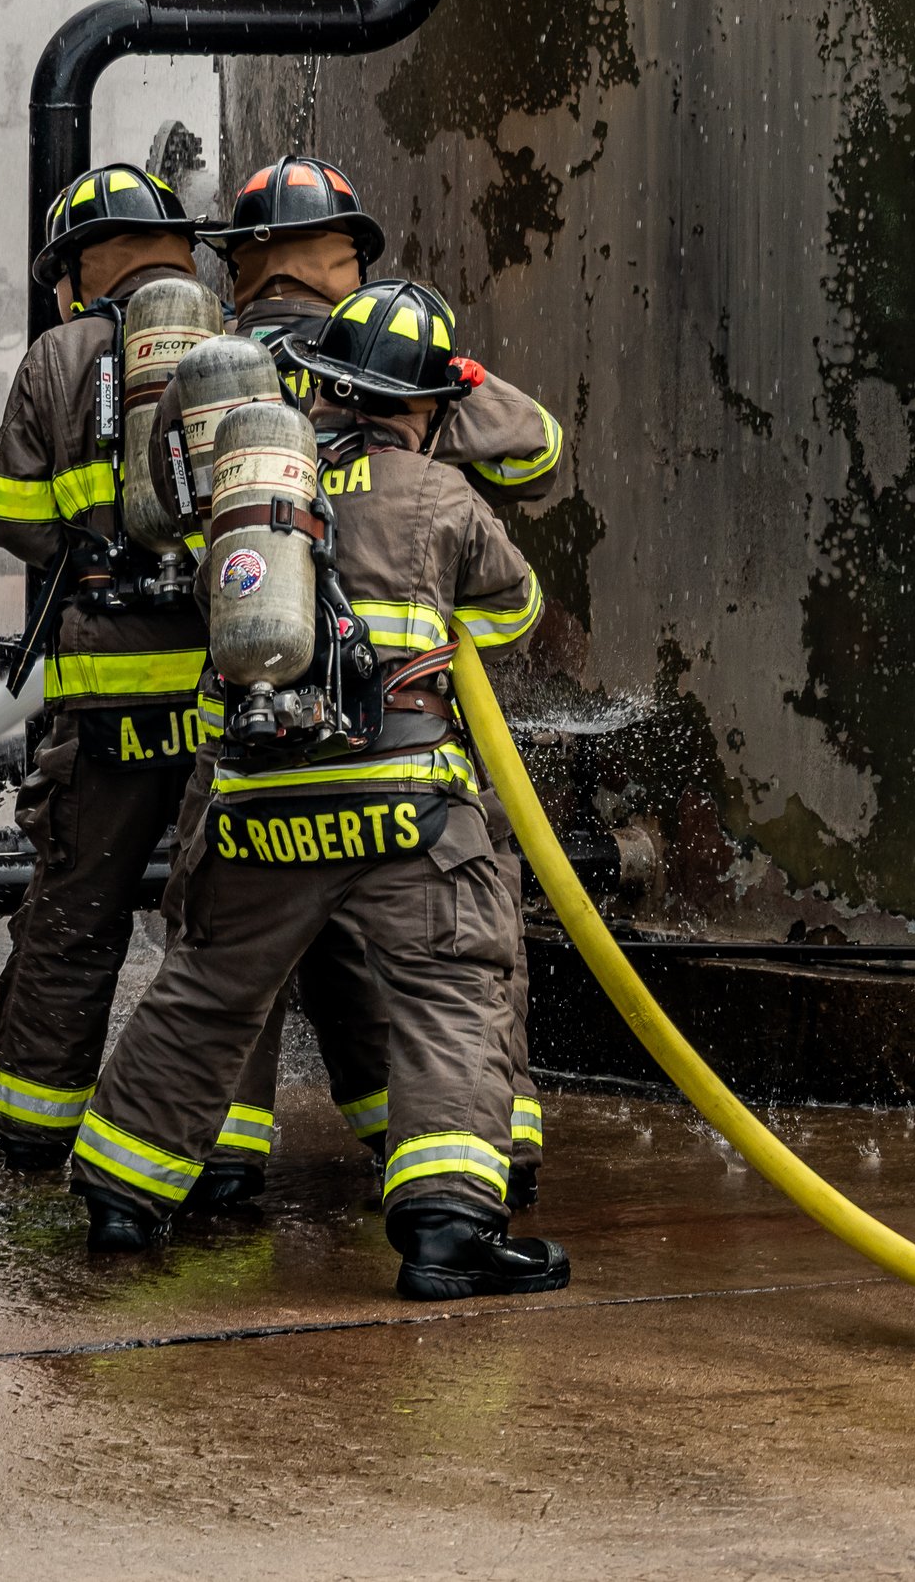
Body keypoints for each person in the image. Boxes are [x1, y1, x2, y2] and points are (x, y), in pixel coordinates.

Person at [71, 280, 569, 1301]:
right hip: (403, 809)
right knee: (451, 988)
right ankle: (448, 1233)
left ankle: (122, 1197)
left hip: (257, 805)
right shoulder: (437, 494)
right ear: (427, 405)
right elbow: (514, 610)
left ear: (326, 385)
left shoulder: (250, 492)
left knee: (207, 987)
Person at [182, 157, 564, 1209]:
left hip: (245, 709)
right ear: (347, 257)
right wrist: (452, 376)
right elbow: (535, 452)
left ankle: (215, 1153)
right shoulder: (380, 356)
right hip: (399, 727)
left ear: (242, 261)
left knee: (225, 945)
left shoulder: (216, 370)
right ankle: (485, 1148)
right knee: (457, 938)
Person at [0, 164, 211, 1168]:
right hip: (223, 693)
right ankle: (215, 1144)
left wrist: (90, 546)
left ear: (79, 268)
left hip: (107, 692)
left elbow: (11, 512)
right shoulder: (238, 342)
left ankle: (35, 1130)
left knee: (74, 917)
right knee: (219, 925)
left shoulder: (58, 355)